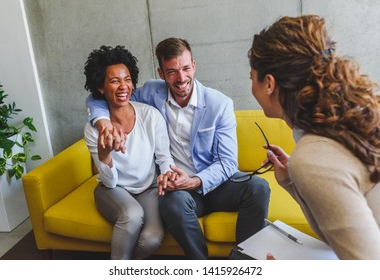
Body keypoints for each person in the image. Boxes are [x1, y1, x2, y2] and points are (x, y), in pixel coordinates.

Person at [86, 37, 271, 259]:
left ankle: (243, 264)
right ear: (161, 74)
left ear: (194, 65)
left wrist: (195, 181)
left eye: (185, 68)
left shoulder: (219, 104)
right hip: (179, 190)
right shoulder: (151, 93)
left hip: (216, 184)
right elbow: (102, 97)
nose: (181, 78)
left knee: (258, 187)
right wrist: (102, 121)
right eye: (172, 71)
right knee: (170, 203)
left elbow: (228, 162)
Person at [248, 15, 380, 259]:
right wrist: (291, 179)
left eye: (251, 77)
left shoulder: (313, 156)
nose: (251, 86)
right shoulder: (355, 116)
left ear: (269, 83)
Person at [83, 45, 177, 260]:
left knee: (152, 238)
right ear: (100, 87)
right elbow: (109, 181)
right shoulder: (93, 129)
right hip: (113, 189)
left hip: (148, 188)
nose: (123, 86)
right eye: (114, 81)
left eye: (127, 79)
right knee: (132, 215)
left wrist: (168, 174)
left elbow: (164, 158)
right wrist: (105, 155)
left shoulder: (150, 116)